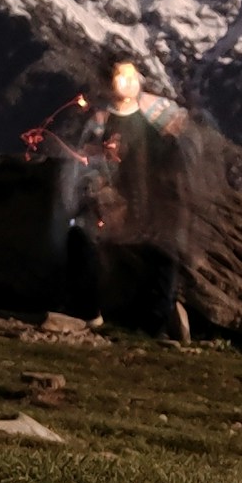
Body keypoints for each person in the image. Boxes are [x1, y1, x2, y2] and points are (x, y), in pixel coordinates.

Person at [67, 49, 194, 341]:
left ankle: (154, 324)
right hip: (111, 199)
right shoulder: (100, 117)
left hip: (153, 198)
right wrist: (100, 169)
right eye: (119, 76)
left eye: (130, 75)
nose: (126, 82)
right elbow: (84, 156)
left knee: (163, 249)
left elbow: (180, 138)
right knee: (79, 235)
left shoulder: (156, 111)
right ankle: (87, 311)